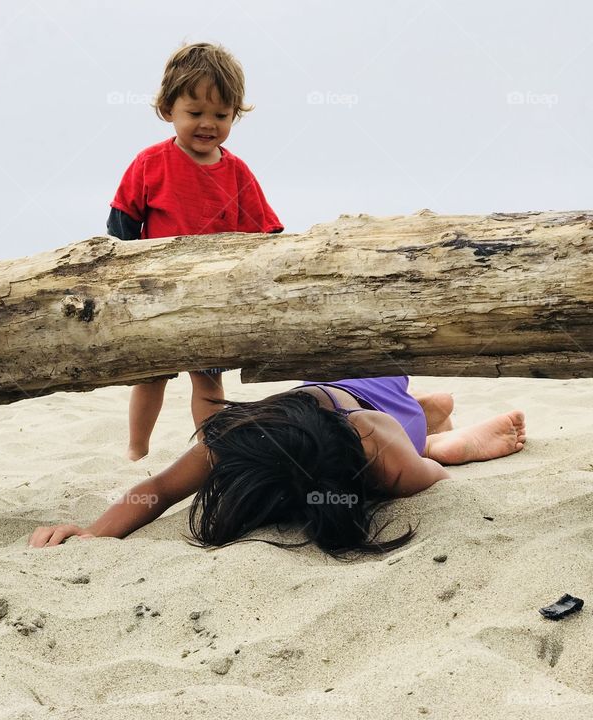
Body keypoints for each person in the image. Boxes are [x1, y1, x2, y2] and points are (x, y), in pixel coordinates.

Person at [29, 377, 527, 553]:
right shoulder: (239, 441)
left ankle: (437, 427)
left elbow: (434, 484)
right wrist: (95, 532)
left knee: (417, 450)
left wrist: (404, 474)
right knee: (418, 424)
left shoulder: (373, 438)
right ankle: (434, 410)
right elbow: (155, 490)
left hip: (374, 397)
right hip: (307, 407)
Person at [106, 42, 284, 462]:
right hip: (156, 294)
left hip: (210, 298)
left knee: (208, 382)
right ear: (168, 109)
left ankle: (210, 449)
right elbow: (121, 224)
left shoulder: (237, 171)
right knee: (151, 378)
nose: (208, 124)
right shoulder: (151, 163)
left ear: (235, 115)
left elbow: (266, 233)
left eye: (221, 115)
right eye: (196, 113)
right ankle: (137, 452)